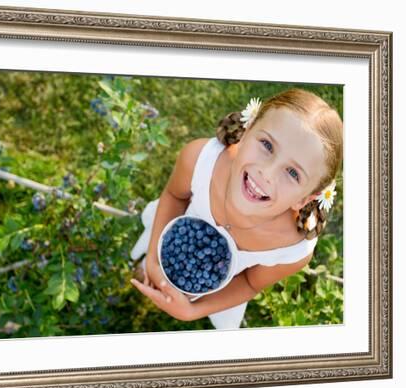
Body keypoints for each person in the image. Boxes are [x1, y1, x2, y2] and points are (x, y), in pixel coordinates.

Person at [129, 88, 343, 329]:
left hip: (221, 289)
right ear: (247, 131)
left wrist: (192, 310)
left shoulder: (292, 249)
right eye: (267, 145)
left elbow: (250, 283)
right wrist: (154, 261)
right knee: (149, 262)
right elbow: (173, 196)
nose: (267, 173)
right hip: (172, 237)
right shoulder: (200, 160)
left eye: (293, 173)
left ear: (305, 199)